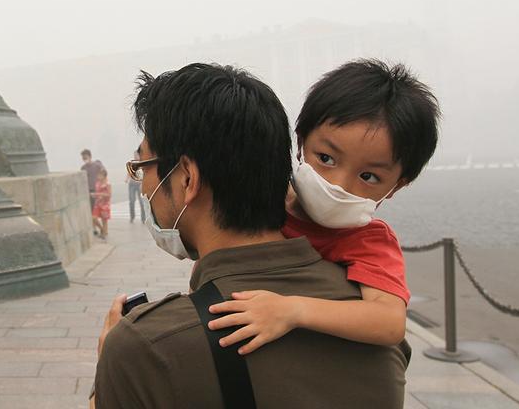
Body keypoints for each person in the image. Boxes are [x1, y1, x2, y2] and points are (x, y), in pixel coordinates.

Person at [91, 63, 409, 409]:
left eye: (142, 168)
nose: (144, 188)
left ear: (187, 179)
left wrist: (111, 371)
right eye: (327, 158)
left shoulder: (145, 349)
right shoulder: (373, 328)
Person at [208, 59, 440, 354]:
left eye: (368, 176)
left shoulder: (368, 242)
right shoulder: (264, 199)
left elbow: (389, 322)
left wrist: (292, 310)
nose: (339, 184)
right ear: (301, 141)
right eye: (326, 159)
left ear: (396, 186)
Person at [80, 149, 105, 234]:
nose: (84, 159)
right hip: (89, 192)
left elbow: (104, 174)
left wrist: (102, 186)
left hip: (98, 191)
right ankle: (94, 229)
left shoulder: (97, 165)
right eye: (83, 158)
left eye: (85, 157)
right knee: (91, 212)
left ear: (90, 156)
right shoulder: (83, 168)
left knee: (100, 212)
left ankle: (103, 228)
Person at [126, 149, 146, 223]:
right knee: (131, 201)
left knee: (141, 202)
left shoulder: (142, 163)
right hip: (132, 184)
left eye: (137, 155)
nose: (135, 156)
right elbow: (129, 172)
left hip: (139, 185)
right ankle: (132, 217)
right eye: (134, 155)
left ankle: (143, 218)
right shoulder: (132, 163)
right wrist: (127, 179)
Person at [92, 167, 112, 240]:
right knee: (93, 218)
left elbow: (109, 195)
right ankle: (102, 229)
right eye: (98, 175)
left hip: (105, 205)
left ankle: (104, 234)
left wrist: (98, 194)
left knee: (104, 220)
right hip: (97, 203)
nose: (98, 176)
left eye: (99, 175)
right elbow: (97, 192)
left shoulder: (108, 184)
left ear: (104, 176)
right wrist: (95, 195)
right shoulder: (97, 183)